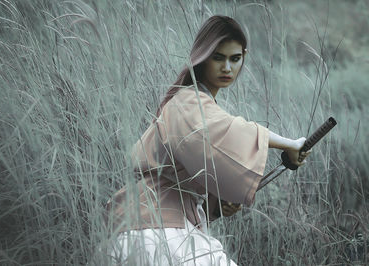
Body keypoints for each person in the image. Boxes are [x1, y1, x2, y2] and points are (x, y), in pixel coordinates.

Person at [103, 15, 311, 265]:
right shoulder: (188, 101)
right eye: (218, 57)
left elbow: (191, 170)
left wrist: (216, 207)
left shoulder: (192, 103)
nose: (227, 68)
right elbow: (228, 130)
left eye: (235, 59)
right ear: (202, 57)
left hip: (153, 229)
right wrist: (290, 144)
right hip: (157, 232)